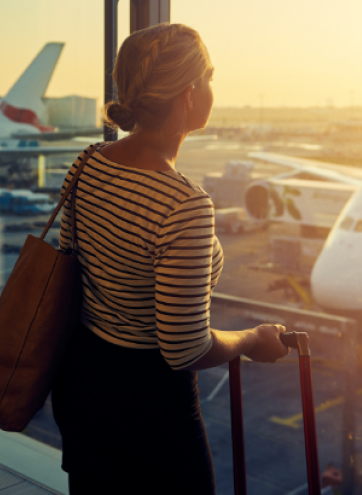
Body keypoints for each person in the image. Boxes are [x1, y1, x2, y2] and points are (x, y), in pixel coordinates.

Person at [51, 23, 289, 495]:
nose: (213, 91)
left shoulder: (89, 161)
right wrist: (250, 339)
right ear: (188, 93)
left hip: (81, 384)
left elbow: (70, 262)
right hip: (147, 411)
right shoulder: (183, 204)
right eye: (210, 78)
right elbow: (183, 348)